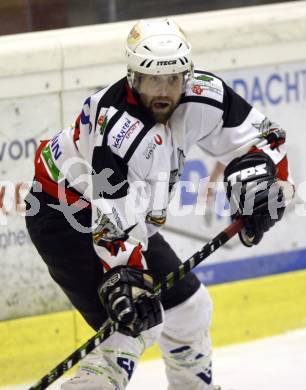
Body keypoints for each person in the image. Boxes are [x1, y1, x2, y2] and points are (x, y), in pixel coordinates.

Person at [25, 19, 293, 390]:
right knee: (129, 333)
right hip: (64, 216)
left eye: (173, 79)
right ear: (133, 78)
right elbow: (112, 222)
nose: (164, 92)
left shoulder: (205, 95)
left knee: (190, 310)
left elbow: (265, 140)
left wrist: (266, 181)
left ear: (188, 74)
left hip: (130, 218)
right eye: (153, 80)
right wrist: (124, 279)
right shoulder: (117, 131)